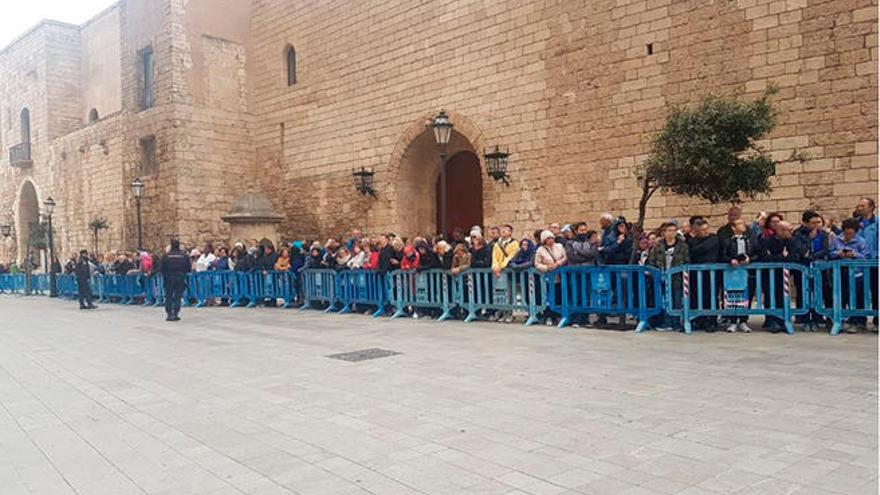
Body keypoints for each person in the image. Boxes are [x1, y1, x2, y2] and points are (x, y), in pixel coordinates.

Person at [759, 221, 805, 332]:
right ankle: (771, 321)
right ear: (780, 231)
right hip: (769, 274)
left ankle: (783, 320)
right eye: (789, 230)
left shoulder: (792, 242)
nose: (791, 232)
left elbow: (793, 257)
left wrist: (778, 257)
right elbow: (765, 257)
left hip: (784, 275)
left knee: (783, 297)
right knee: (770, 297)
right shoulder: (767, 241)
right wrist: (782, 256)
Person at [831, 218, 872, 333]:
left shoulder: (862, 242)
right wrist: (837, 253)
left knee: (858, 299)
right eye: (846, 233)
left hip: (857, 274)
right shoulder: (837, 240)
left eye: (851, 233)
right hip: (841, 273)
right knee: (843, 297)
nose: (848, 235)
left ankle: (859, 321)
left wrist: (854, 254)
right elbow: (830, 253)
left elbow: (866, 257)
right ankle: (844, 319)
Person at [647, 222, 690, 331]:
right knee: (663, 301)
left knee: (676, 300)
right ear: (664, 232)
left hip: (676, 278)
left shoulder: (682, 246)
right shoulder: (658, 246)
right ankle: (665, 322)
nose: (671, 233)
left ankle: (675, 322)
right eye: (669, 231)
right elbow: (651, 261)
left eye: (674, 231)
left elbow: (686, 261)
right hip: (661, 277)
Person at [793, 211, 832, 330]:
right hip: (803, 267)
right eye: (812, 223)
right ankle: (804, 318)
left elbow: (825, 249)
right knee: (804, 292)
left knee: (820, 292)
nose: (816, 225)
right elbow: (799, 250)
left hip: (819, 268)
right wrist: (809, 240)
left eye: (817, 222)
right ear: (805, 223)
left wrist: (813, 256)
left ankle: (818, 316)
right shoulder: (798, 234)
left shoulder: (823, 234)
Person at [721, 218, 759, 332]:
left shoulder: (750, 240)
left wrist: (749, 259)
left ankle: (743, 320)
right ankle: (732, 320)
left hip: (748, 272)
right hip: (732, 273)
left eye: (743, 223)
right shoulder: (727, 241)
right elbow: (722, 255)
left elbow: (758, 253)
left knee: (747, 295)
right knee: (732, 295)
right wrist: (730, 260)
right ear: (733, 227)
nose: (743, 226)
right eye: (739, 224)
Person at [687, 218, 720, 331]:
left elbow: (703, 248)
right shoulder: (692, 241)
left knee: (711, 297)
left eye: (706, 229)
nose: (705, 232)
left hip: (712, 273)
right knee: (697, 296)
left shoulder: (714, 238)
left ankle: (712, 320)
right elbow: (691, 252)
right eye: (702, 230)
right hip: (696, 274)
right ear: (697, 230)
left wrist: (697, 250)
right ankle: (698, 319)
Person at [534, 230, 568, 326]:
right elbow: (537, 263)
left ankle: (557, 315)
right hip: (547, 277)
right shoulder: (540, 250)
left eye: (552, 238)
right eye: (548, 238)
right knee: (547, 297)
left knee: (558, 295)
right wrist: (546, 268)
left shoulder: (560, 247)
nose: (550, 240)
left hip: (559, 276)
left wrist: (557, 264)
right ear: (544, 240)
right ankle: (547, 315)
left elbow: (565, 257)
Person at [490, 225, 520, 323]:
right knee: (499, 292)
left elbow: (511, 256)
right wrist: (495, 267)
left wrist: (501, 267)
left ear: (510, 232)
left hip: (507, 271)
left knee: (509, 293)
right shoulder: (497, 244)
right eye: (502, 229)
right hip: (498, 271)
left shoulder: (514, 243)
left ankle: (509, 313)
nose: (503, 231)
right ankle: (500, 311)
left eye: (506, 229)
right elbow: (494, 257)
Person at [159, 239, 191, 322]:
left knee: (169, 296)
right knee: (178, 296)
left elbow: (162, 268)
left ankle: (169, 314)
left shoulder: (166, 256)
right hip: (180, 278)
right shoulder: (184, 256)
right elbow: (188, 268)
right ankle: (176, 313)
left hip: (169, 279)